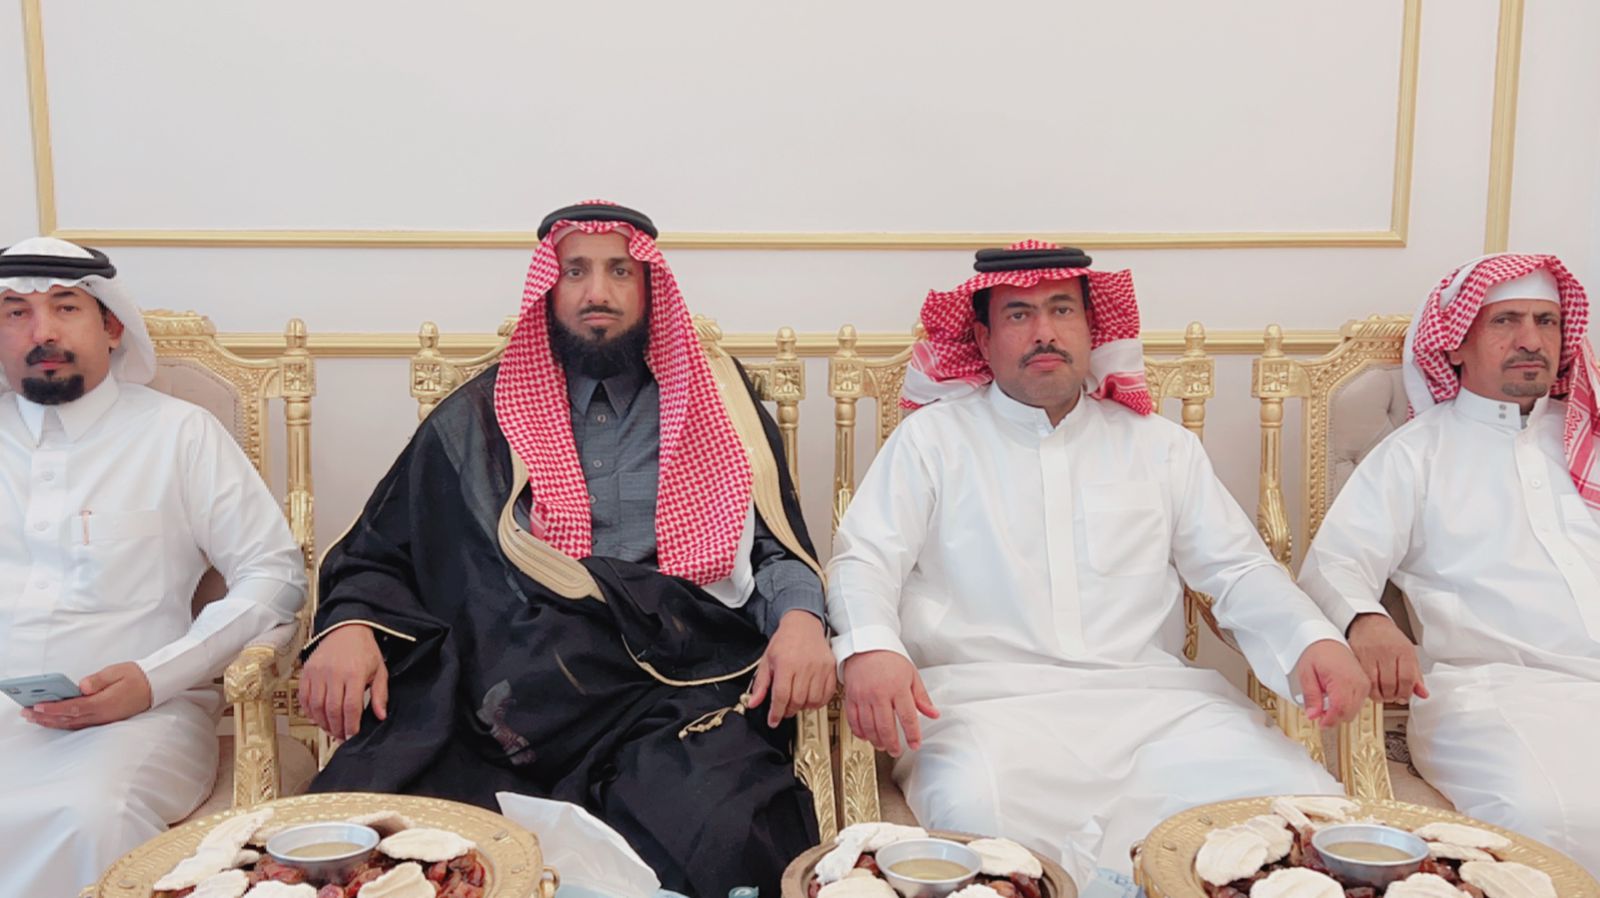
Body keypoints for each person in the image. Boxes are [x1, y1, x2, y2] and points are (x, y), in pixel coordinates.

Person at [298, 202, 834, 896]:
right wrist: (350, 625)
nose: (597, 292)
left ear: (650, 287)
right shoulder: (481, 414)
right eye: (575, 271)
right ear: (548, 289)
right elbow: (385, 545)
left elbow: (776, 548)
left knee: (729, 833)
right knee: (378, 832)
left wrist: (802, 621)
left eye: (619, 271)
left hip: (674, 684)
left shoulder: (721, 404)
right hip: (505, 696)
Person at [827, 241, 1368, 890]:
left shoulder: (1159, 446)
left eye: (1062, 310)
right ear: (983, 339)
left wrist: (1311, 639)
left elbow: (1237, 568)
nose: (1045, 331)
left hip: (1158, 709)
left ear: (1092, 328)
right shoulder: (932, 441)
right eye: (1019, 314)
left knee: (1299, 808)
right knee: (986, 838)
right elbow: (865, 557)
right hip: (985, 711)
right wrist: (871, 648)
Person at [0, 237, 307, 896]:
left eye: (65, 307)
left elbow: (275, 575)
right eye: (15, 312)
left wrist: (155, 677)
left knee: (89, 815)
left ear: (111, 327)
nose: (42, 332)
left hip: (138, 721)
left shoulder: (179, 434)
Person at [1300, 253, 1600, 872]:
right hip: (1497, 694)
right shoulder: (1416, 454)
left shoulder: (1585, 436)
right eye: (1506, 321)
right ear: (1456, 343)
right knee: (1549, 816)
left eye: (1546, 321)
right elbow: (1333, 564)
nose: (1530, 340)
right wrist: (1368, 621)